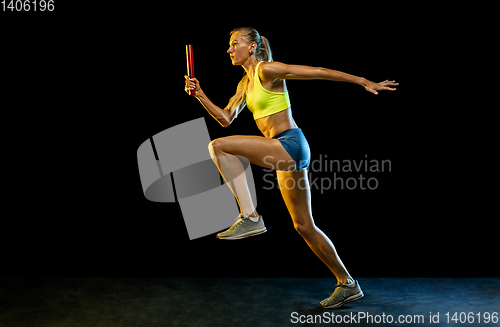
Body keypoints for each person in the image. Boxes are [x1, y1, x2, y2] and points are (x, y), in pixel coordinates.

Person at [184, 26, 397, 308]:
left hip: (290, 144)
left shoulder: (266, 70)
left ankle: (251, 217)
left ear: (252, 48)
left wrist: (361, 81)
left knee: (218, 146)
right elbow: (225, 118)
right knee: (303, 226)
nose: (229, 49)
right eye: (229, 45)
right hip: (284, 152)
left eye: (235, 43)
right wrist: (200, 94)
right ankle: (348, 284)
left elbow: (317, 71)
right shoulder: (244, 85)